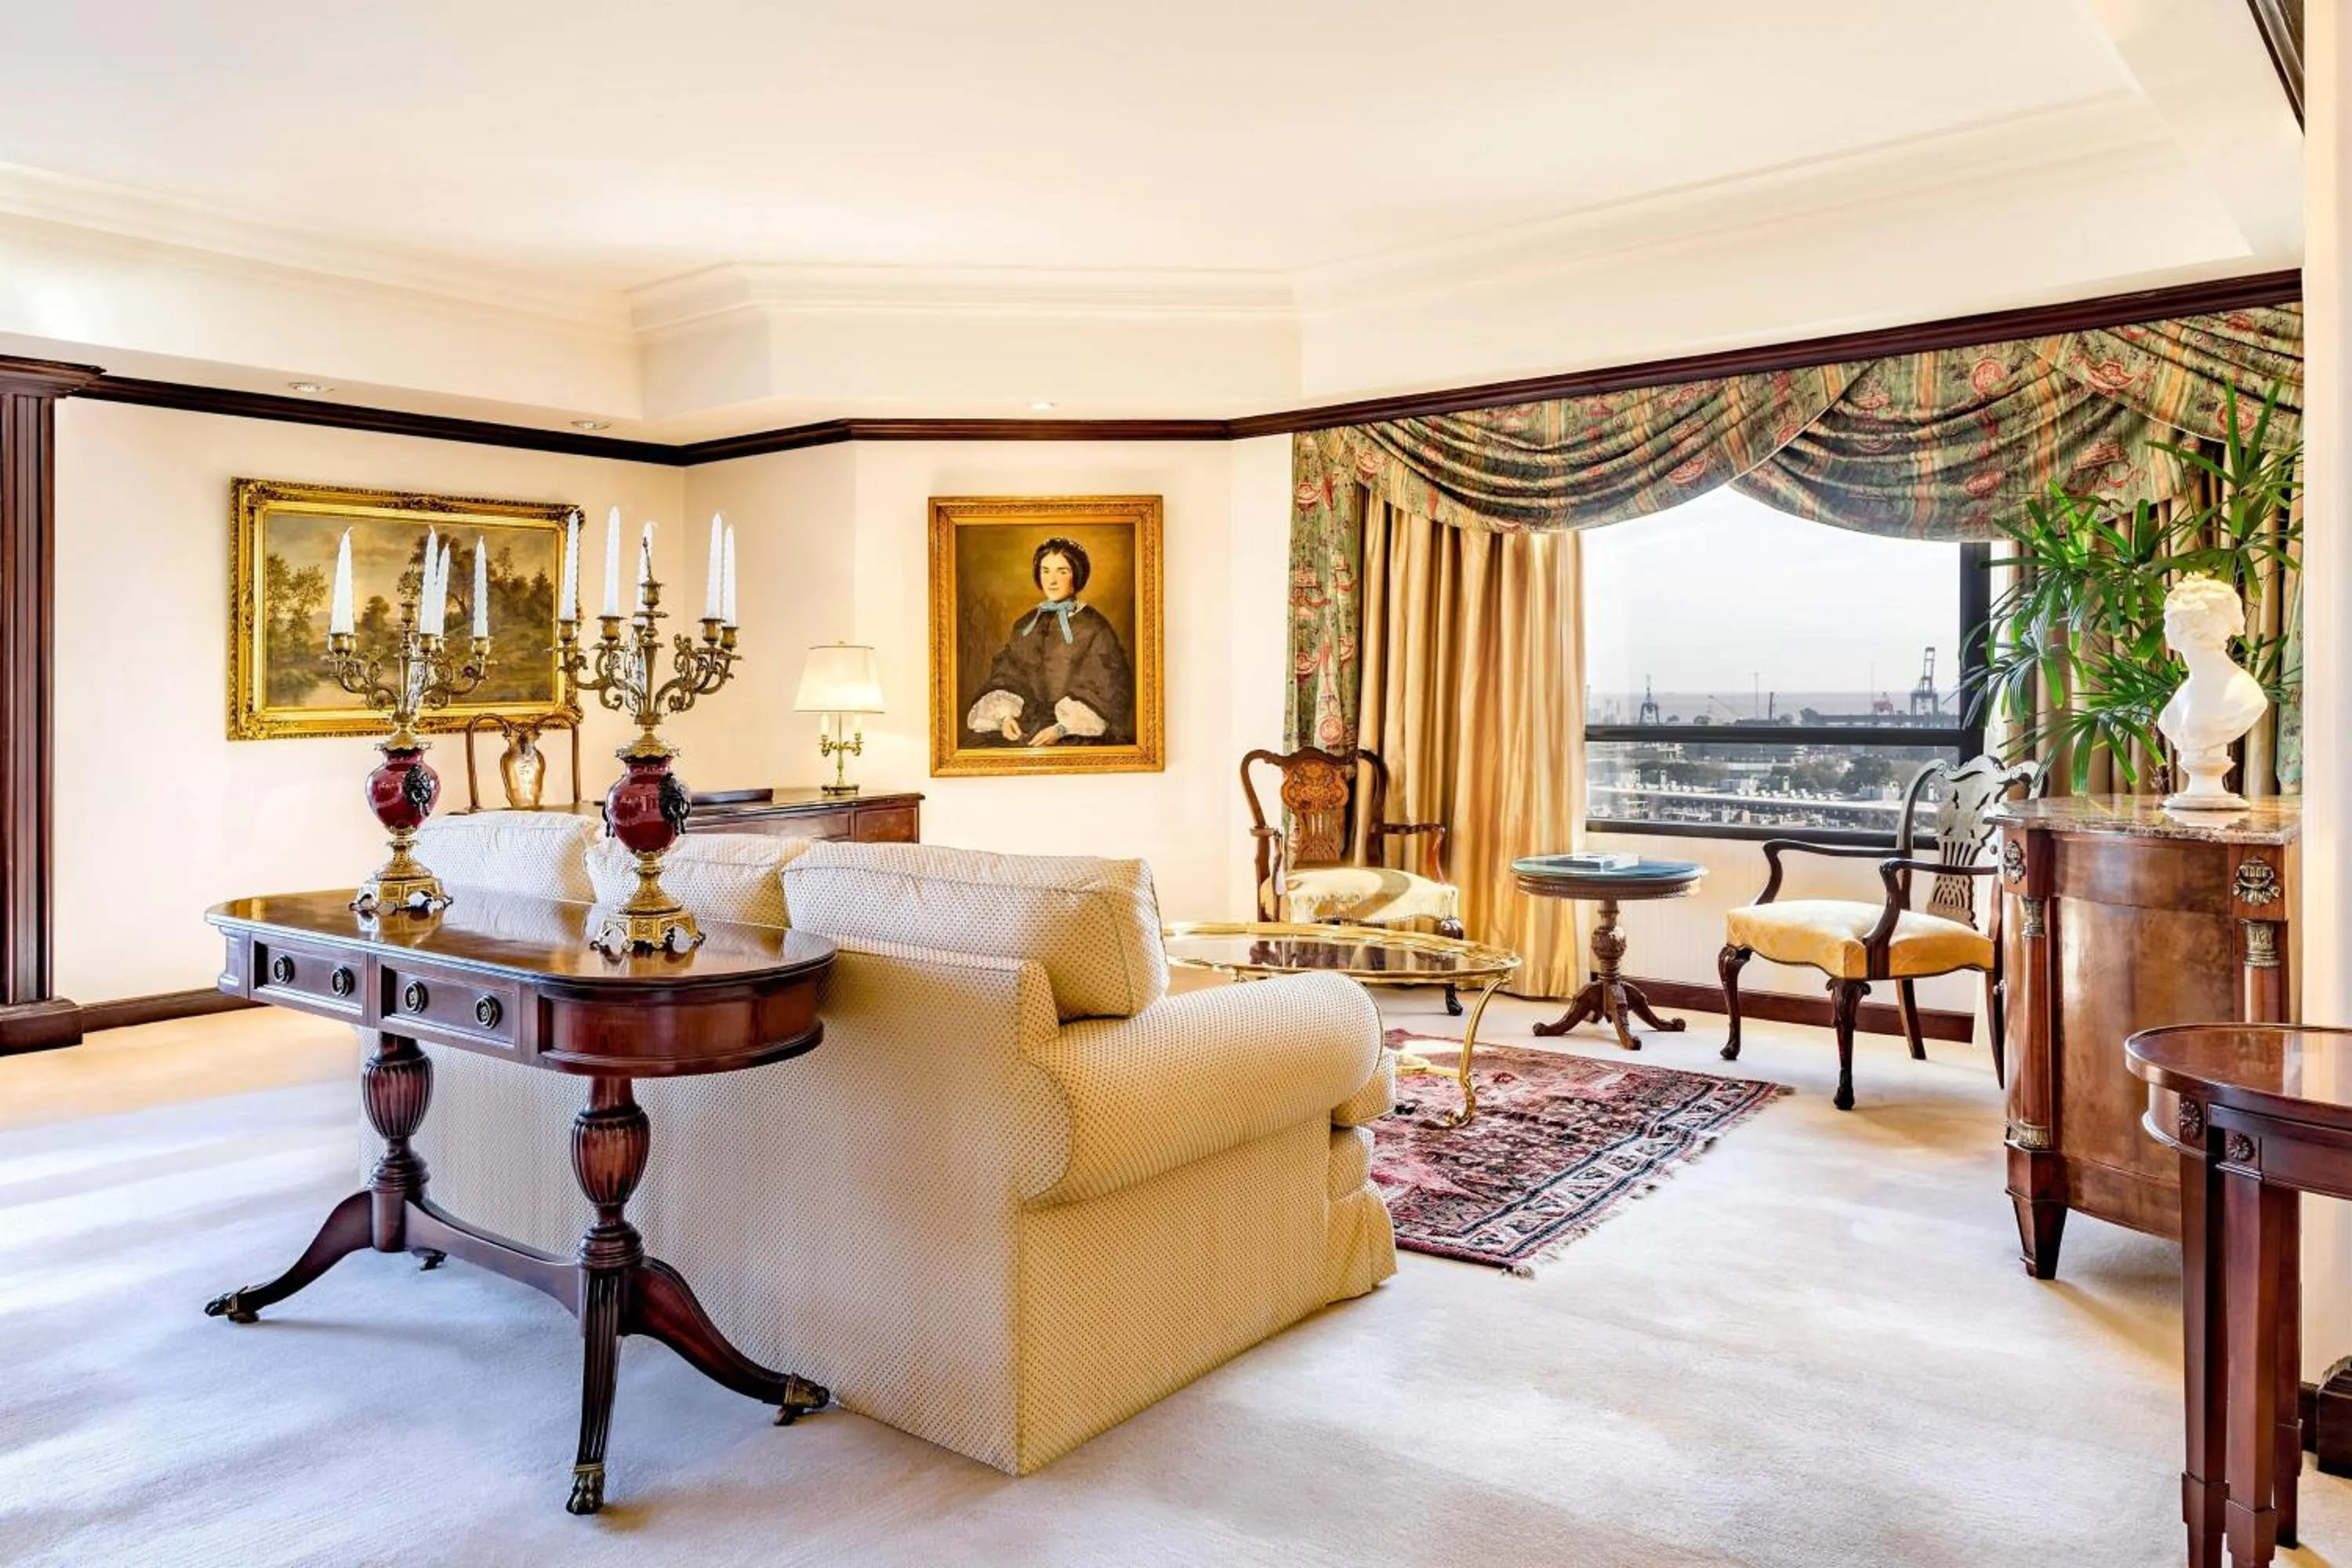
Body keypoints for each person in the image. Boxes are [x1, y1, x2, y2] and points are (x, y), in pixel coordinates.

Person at [965, 537, 1134, 746]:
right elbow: (1008, 674)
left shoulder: (1094, 627)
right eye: (1045, 571)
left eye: (1062, 571)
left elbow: (1109, 689)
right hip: (1026, 725)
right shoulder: (1026, 625)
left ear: (1077, 576)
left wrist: (1061, 728)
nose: (1051, 581)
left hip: (1078, 732)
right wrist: (1006, 718)